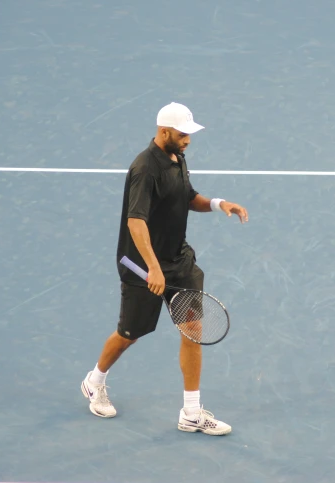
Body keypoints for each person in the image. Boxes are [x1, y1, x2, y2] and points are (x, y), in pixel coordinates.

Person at [80, 102, 248, 436]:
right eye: (183, 134)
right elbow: (135, 221)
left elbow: (187, 197)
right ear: (164, 132)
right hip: (143, 269)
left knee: (192, 331)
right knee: (130, 334)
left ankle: (191, 412)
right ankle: (94, 380)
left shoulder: (177, 157)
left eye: (189, 135)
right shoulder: (145, 168)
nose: (188, 140)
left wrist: (219, 204)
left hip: (179, 262)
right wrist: (153, 269)